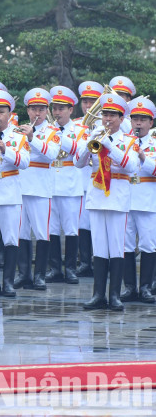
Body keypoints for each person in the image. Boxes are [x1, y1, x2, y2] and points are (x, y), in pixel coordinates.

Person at [76, 92, 139, 311]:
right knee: (100, 248)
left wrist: (109, 144)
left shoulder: (129, 140)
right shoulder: (95, 134)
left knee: (116, 248)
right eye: (105, 115)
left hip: (118, 199)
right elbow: (78, 163)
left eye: (113, 115)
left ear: (122, 119)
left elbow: (130, 166)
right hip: (96, 197)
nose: (108, 119)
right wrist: (88, 143)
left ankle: (115, 296)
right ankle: (98, 295)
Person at [0, 90, 29, 297]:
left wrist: (5, 150)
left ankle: (8, 282)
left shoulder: (18, 136)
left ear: (10, 114)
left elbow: (25, 162)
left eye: (2, 112)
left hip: (9, 190)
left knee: (10, 238)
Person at [13, 88, 60, 291]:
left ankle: (39, 275)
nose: (36, 113)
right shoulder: (17, 129)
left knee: (42, 233)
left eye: (41, 109)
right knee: (21, 232)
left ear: (46, 110)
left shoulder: (53, 132)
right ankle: (24, 274)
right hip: (20, 185)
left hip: (41, 188)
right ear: (28, 110)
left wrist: (32, 138)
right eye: (33, 109)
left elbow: (51, 154)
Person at [47, 86, 84, 284]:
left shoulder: (80, 130)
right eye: (55, 108)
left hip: (70, 185)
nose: (57, 112)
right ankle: (55, 269)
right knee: (51, 229)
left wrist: (60, 137)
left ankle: (70, 269)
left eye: (62, 108)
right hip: (51, 183)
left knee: (71, 229)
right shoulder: (47, 128)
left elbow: (80, 151)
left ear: (71, 110)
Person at [121, 98, 156, 303]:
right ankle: (129, 287)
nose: (138, 124)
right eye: (135, 119)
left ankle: (146, 288)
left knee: (148, 245)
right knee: (125, 245)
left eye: (143, 120)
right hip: (125, 200)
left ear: (151, 123)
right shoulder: (123, 141)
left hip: (147, 201)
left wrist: (143, 157)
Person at [76, 81, 104, 277]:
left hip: (101, 180)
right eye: (85, 101)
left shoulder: (107, 126)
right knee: (83, 224)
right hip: (81, 180)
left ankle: (100, 260)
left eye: (92, 101)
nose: (88, 106)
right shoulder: (78, 125)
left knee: (100, 224)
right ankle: (85, 261)